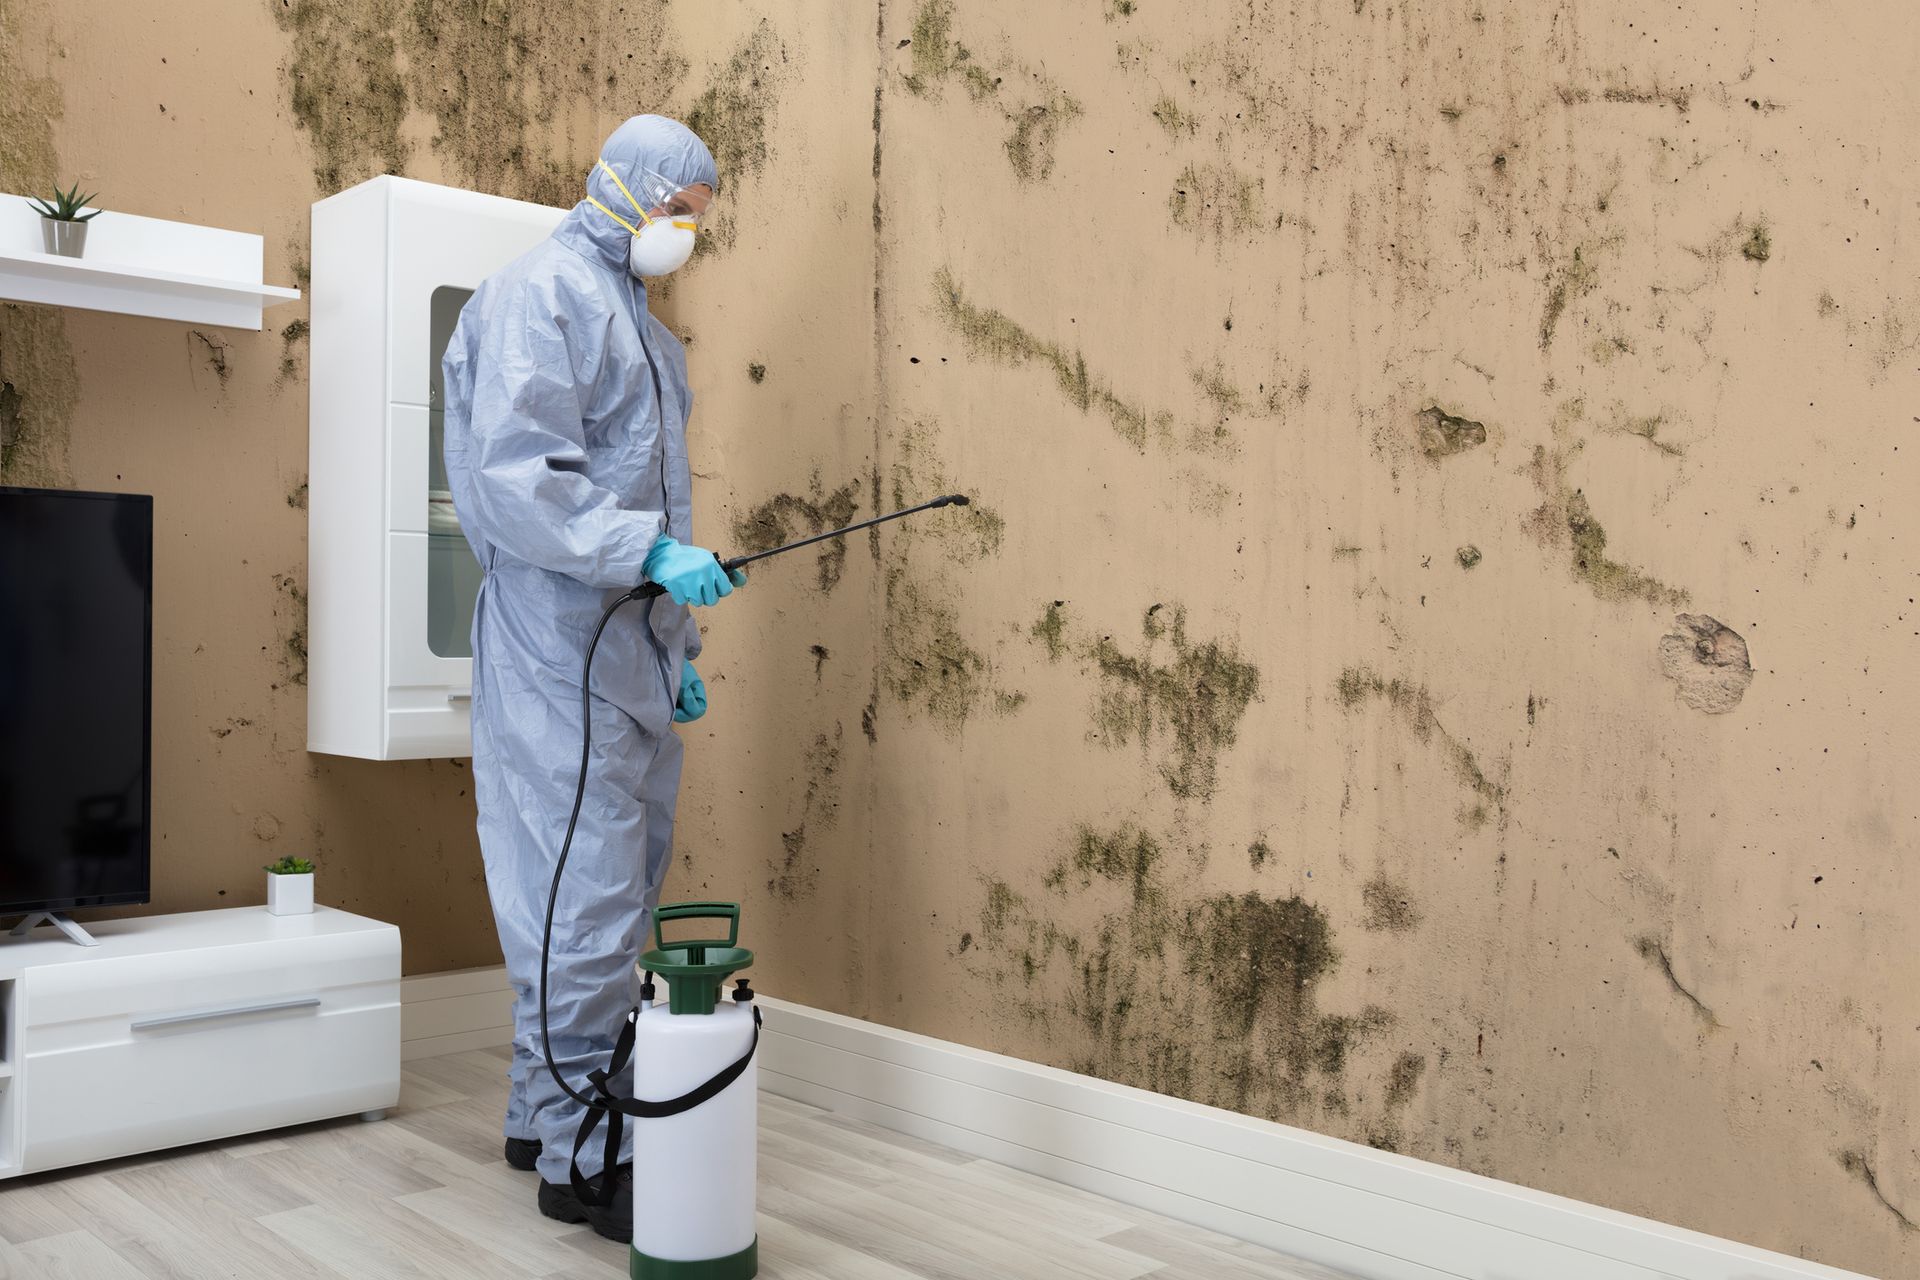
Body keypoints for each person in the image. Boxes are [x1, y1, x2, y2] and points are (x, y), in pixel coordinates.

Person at [440, 115, 742, 1240]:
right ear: (623, 188)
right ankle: (583, 1157)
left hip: (627, 653)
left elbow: (654, 498)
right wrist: (649, 557)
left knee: (591, 895)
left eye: (698, 220)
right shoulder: (542, 296)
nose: (687, 234)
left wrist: (679, 649)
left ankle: (540, 1110)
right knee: (587, 904)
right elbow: (519, 481)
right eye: (680, 211)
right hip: (558, 649)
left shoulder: (646, 331)